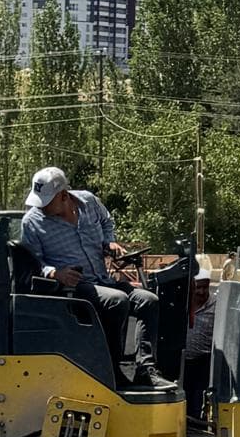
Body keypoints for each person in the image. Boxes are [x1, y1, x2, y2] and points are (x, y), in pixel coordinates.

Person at [19, 166, 173, 389]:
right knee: (117, 300)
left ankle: (145, 370)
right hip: (74, 288)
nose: (39, 206)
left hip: (103, 280)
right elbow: (32, 263)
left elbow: (106, 222)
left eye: (45, 201)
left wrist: (109, 241)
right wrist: (55, 273)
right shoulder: (31, 222)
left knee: (148, 300)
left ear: (64, 196)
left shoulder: (89, 201)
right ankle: (110, 371)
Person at [183, 266, 216, 419]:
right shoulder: (183, 303)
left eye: (205, 287)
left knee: (199, 400)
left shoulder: (215, 305)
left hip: (204, 361)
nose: (201, 292)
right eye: (198, 287)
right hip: (183, 362)